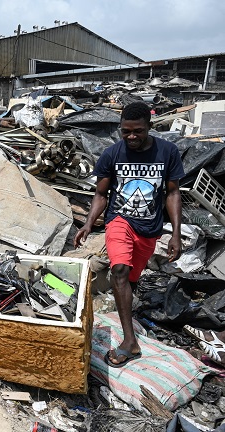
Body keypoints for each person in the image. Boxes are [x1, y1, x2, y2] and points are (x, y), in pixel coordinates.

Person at [74, 101, 184, 368]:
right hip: (119, 221)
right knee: (119, 271)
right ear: (120, 129)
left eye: (138, 131)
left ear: (149, 127)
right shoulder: (112, 154)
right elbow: (101, 194)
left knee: (131, 279)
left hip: (149, 229)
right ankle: (129, 341)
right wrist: (89, 223)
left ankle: (124, 315)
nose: (132, 137)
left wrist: (176, 234)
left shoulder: (167, 152)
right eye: (126, 132)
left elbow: (172, 193)